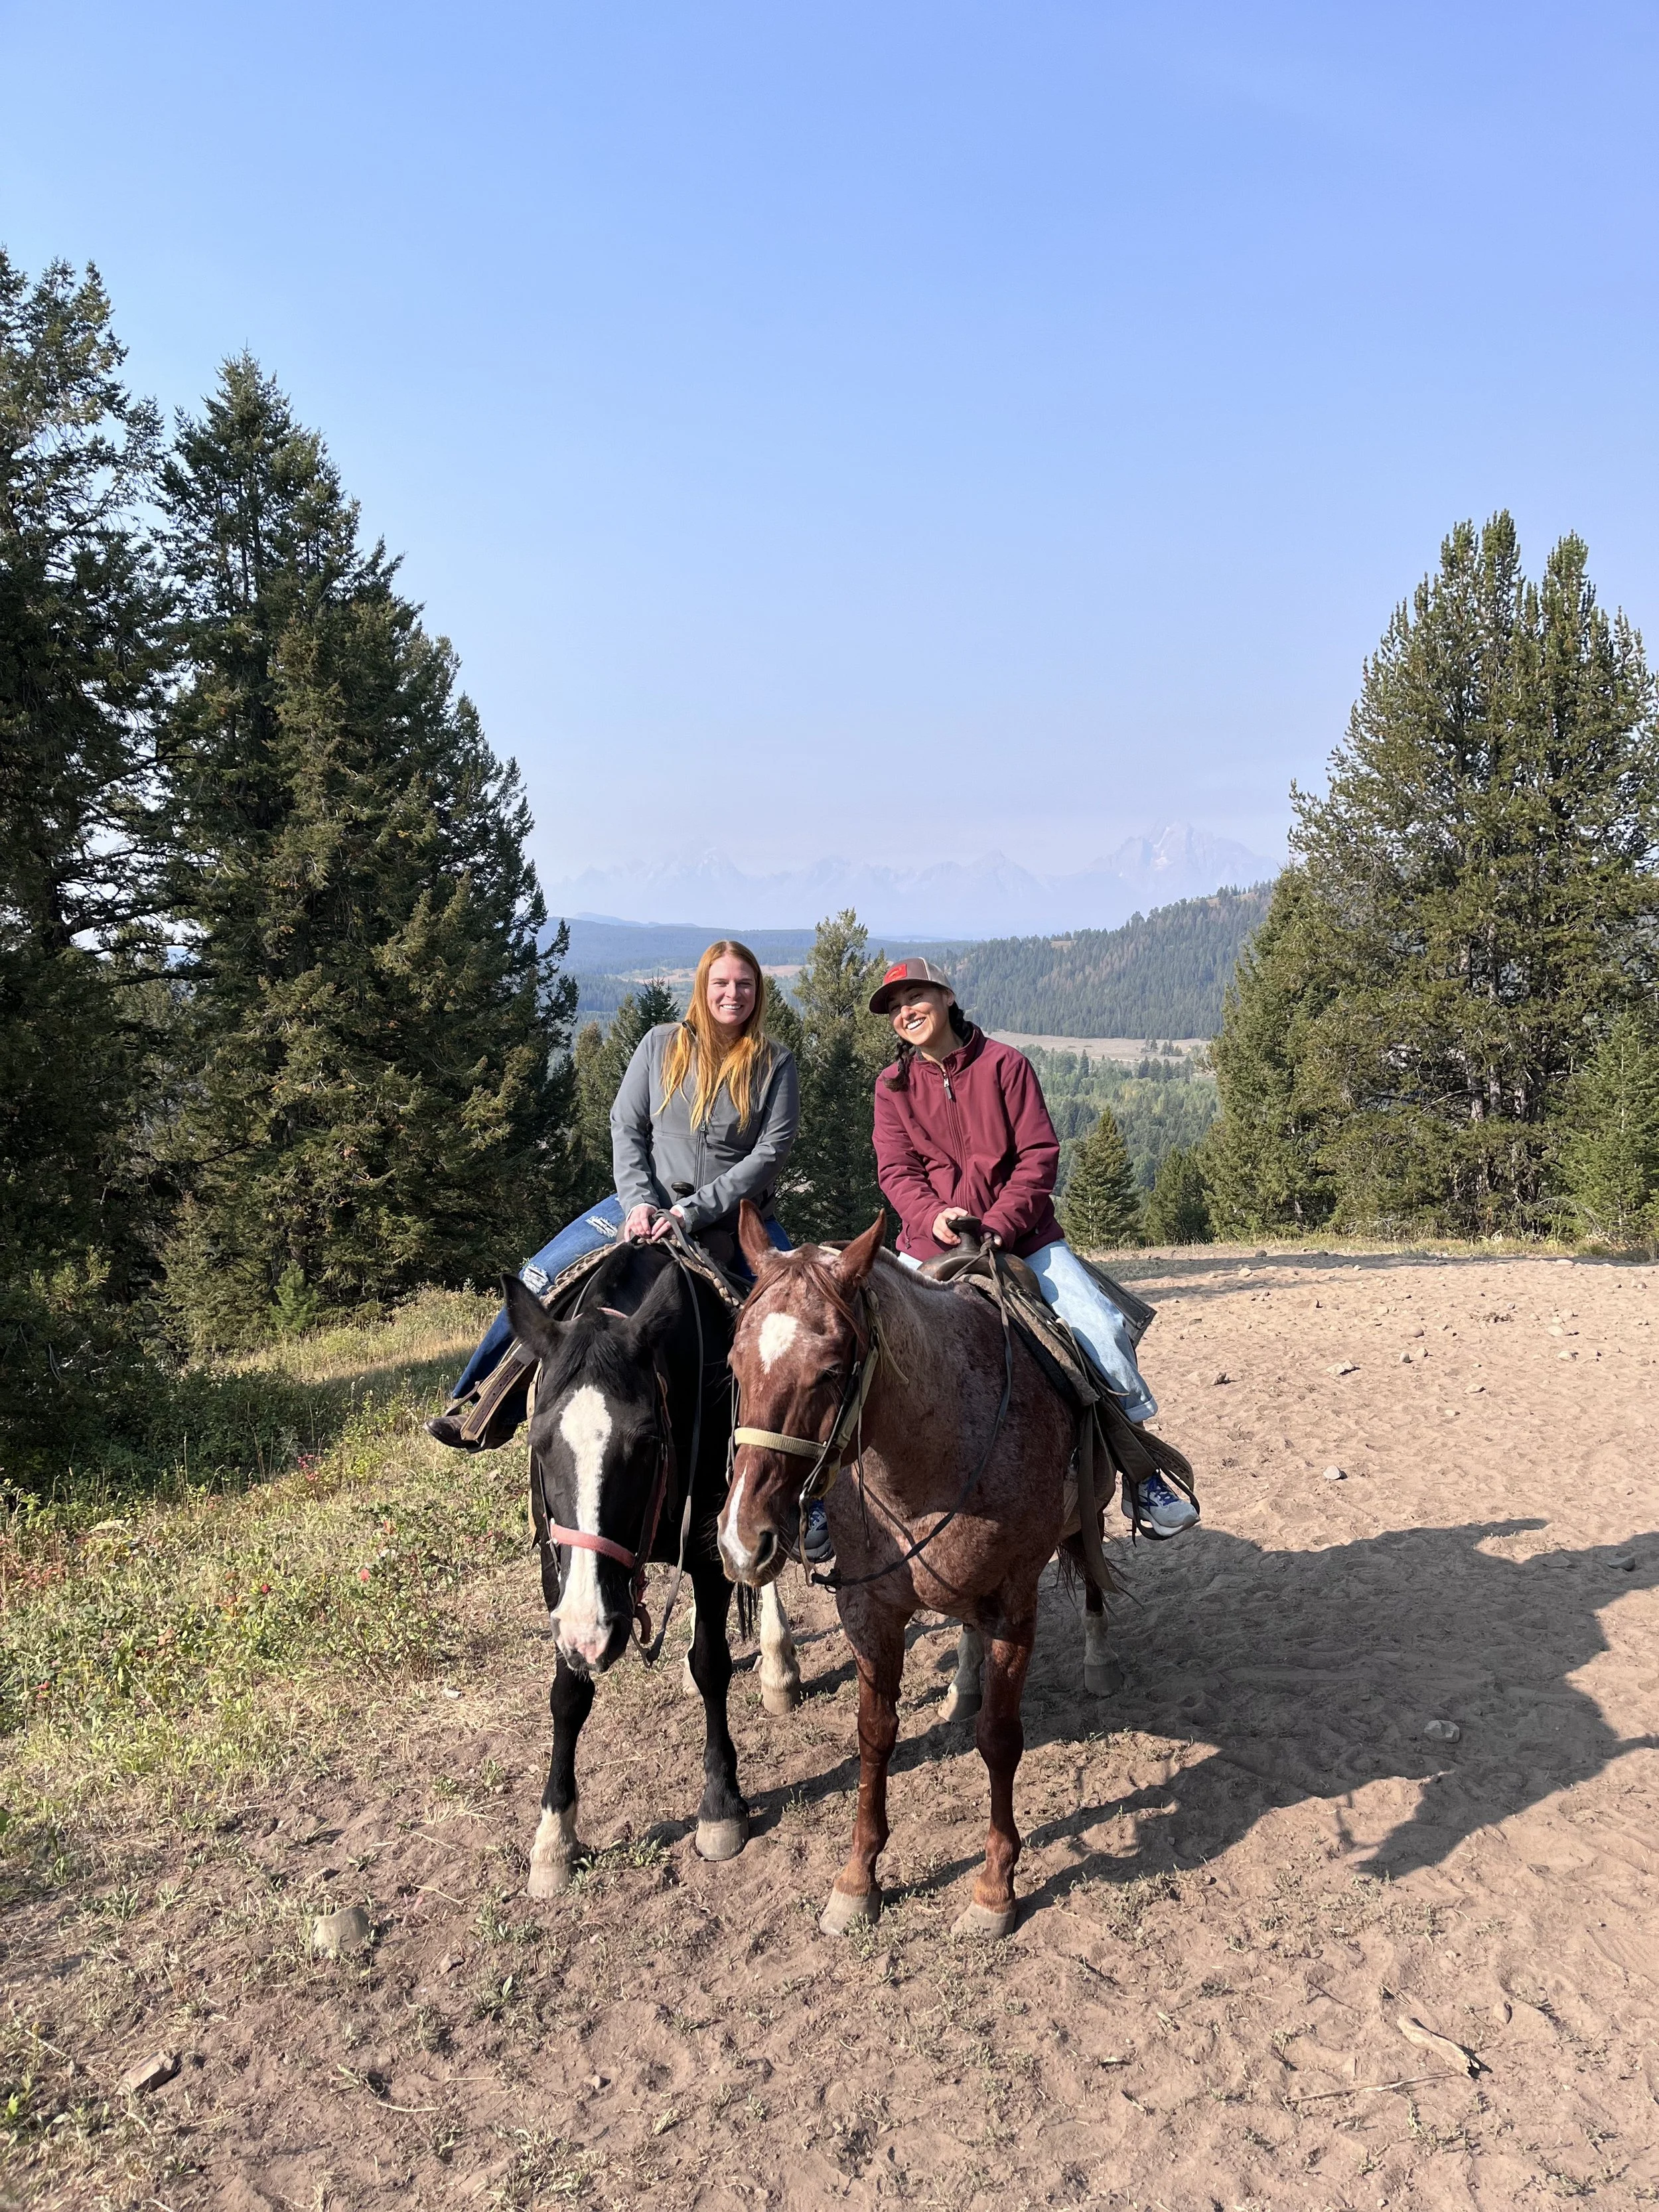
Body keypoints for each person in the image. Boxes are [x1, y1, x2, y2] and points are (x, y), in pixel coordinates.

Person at [867, 956, 1197, 1539]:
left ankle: (1142, 1475)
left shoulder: (1005, 1066)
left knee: (1102, 1333)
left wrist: (995, 1224)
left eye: (914, 998)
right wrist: (931, 1215)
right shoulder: (892, 1088)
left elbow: (1038, 1157)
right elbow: (896, 1171)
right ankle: (845, 1507)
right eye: (894, 1008)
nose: (904, 1013)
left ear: (945, 997)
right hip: (929, 1243)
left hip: (1026, 1237)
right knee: (871, 1354)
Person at [428, 939, 798, 1451]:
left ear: (758, 991)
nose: (732, 993)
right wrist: (641, 1202)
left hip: (737, 1216)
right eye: (721, 983)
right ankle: (480, 1405)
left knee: (793, 1314)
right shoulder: (660, 1045)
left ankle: (804, 1487)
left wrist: (691, 1212)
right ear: (703, 987)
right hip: (640, 1201)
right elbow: (625, 1125)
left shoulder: (775, 1063)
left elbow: (769, 1154)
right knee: (541, 1277)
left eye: (744, 984)